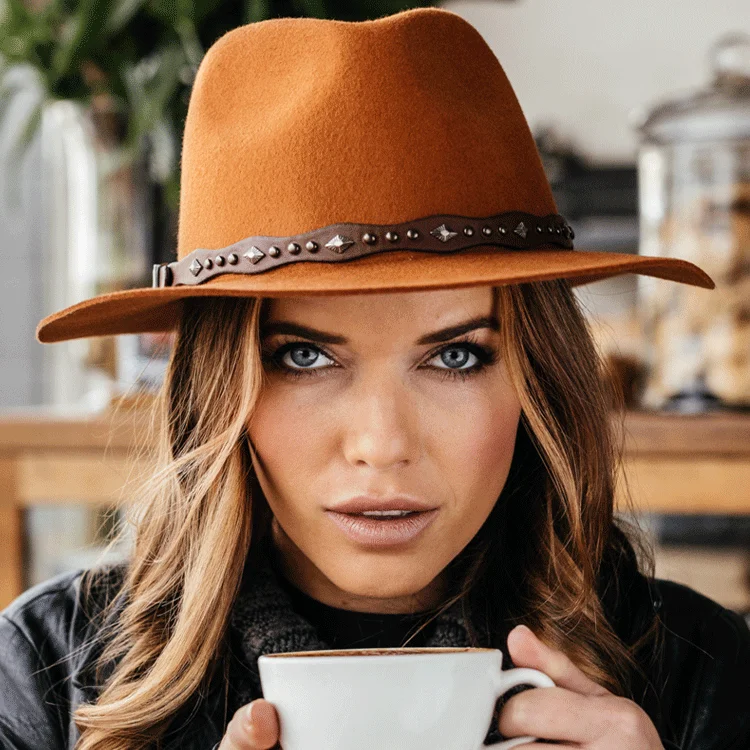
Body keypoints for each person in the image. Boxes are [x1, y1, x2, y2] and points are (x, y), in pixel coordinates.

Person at [1, 7, 748, 750]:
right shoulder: (40, 676)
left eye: (455, 356)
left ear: (538, 381)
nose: (382, 446)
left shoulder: (701, 678)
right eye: (303, 356)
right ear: (215, 393)